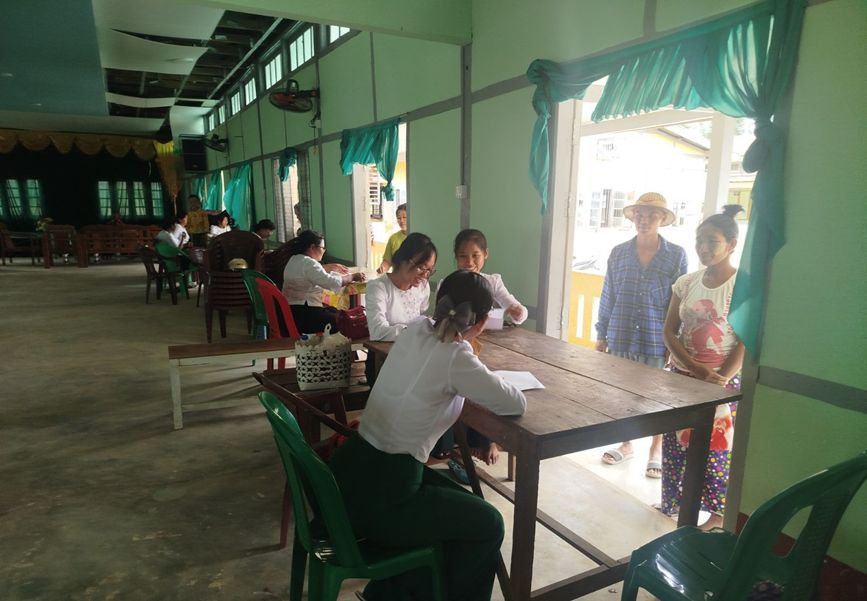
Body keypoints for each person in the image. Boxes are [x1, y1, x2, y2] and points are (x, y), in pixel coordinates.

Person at [329, 270, 527, 601]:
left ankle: (390, 593)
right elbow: (514, 403)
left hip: (348, 477)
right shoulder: (457, 357)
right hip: (385, 500)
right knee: (489, 524)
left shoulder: (415, 329)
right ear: (480, 322)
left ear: (439, 303)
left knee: (464, 507)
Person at [661, 205, 745, 530]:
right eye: (700, 240)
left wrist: (720, 379)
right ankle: (676, 504)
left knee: (714, 448)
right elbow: (670, 332)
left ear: (732, 244)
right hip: (683, 376)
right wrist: (694, 369)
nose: (704, 247)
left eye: (712, 241)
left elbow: (745, 339)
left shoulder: (742, 285)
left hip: (719, 382)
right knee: (677, 444)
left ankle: (717, 515)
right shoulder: (686, 282)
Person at [595, 192, 687, 478]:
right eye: (639, 214)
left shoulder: (676, 255)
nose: (644, 220)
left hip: (655, 336)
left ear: (662, 218)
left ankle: (655, 449)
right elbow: (608, 293)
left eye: (651, 215)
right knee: (623, 394)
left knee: (655, 397)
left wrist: (674, 340)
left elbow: (679, 302)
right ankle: (626, 443)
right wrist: (601, 333)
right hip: (620, 333)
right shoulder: (619, 252)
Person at [449, 228, 527, 466]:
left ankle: (489, 440)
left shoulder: (493, 282)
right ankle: (474, 442)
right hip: (463, 344)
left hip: (493, 346)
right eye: (463, 256)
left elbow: (517, 310)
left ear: (486, 255)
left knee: (492, 387)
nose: (469, 262)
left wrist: (517, 312)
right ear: (456, 257)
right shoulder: (451, 283)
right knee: (468, 389)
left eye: (475, 255)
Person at [364, 233, 437, 384]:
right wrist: (415, 330)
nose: (425, 275)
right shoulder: (379, 288)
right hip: (383, 361)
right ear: (403, 259)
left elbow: (421, 314)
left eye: (429, 270)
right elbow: (377, 331)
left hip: (412, 357)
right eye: (421, 267)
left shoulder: (422, 287)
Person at [281, 230, 365, 333]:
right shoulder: (309, 263)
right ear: (312, 247)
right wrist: (352, 276)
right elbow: (330, 282)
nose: (324, 251)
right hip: (304, 314)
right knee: (343, 321)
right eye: (322, 248)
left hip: (291, 311)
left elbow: (317, 276)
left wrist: (334, 272)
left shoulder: (294, 260)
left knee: (336, 312)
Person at [377, 203, 408, 274]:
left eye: (404, 217)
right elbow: (387, 261)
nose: (401, 221)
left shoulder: (418, 239)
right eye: (399, 218)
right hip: (397, 278)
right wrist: (383, 267)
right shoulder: (393, 238)